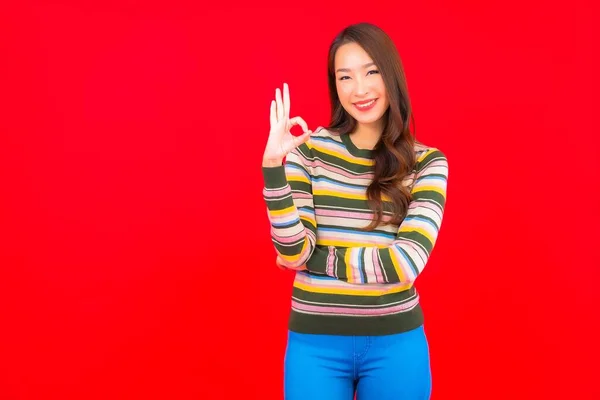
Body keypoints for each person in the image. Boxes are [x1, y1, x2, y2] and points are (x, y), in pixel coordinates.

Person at [261, 22, 448, 400]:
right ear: (335, 86)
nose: (358, 89)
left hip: (396, 345)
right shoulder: (308, 151)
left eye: (370, 72)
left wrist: (318, 261)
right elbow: (295, 250)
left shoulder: (427, 163)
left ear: (390, 74)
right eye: (344, 77)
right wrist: (273, 169)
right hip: (315, 345)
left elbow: (404, 264)